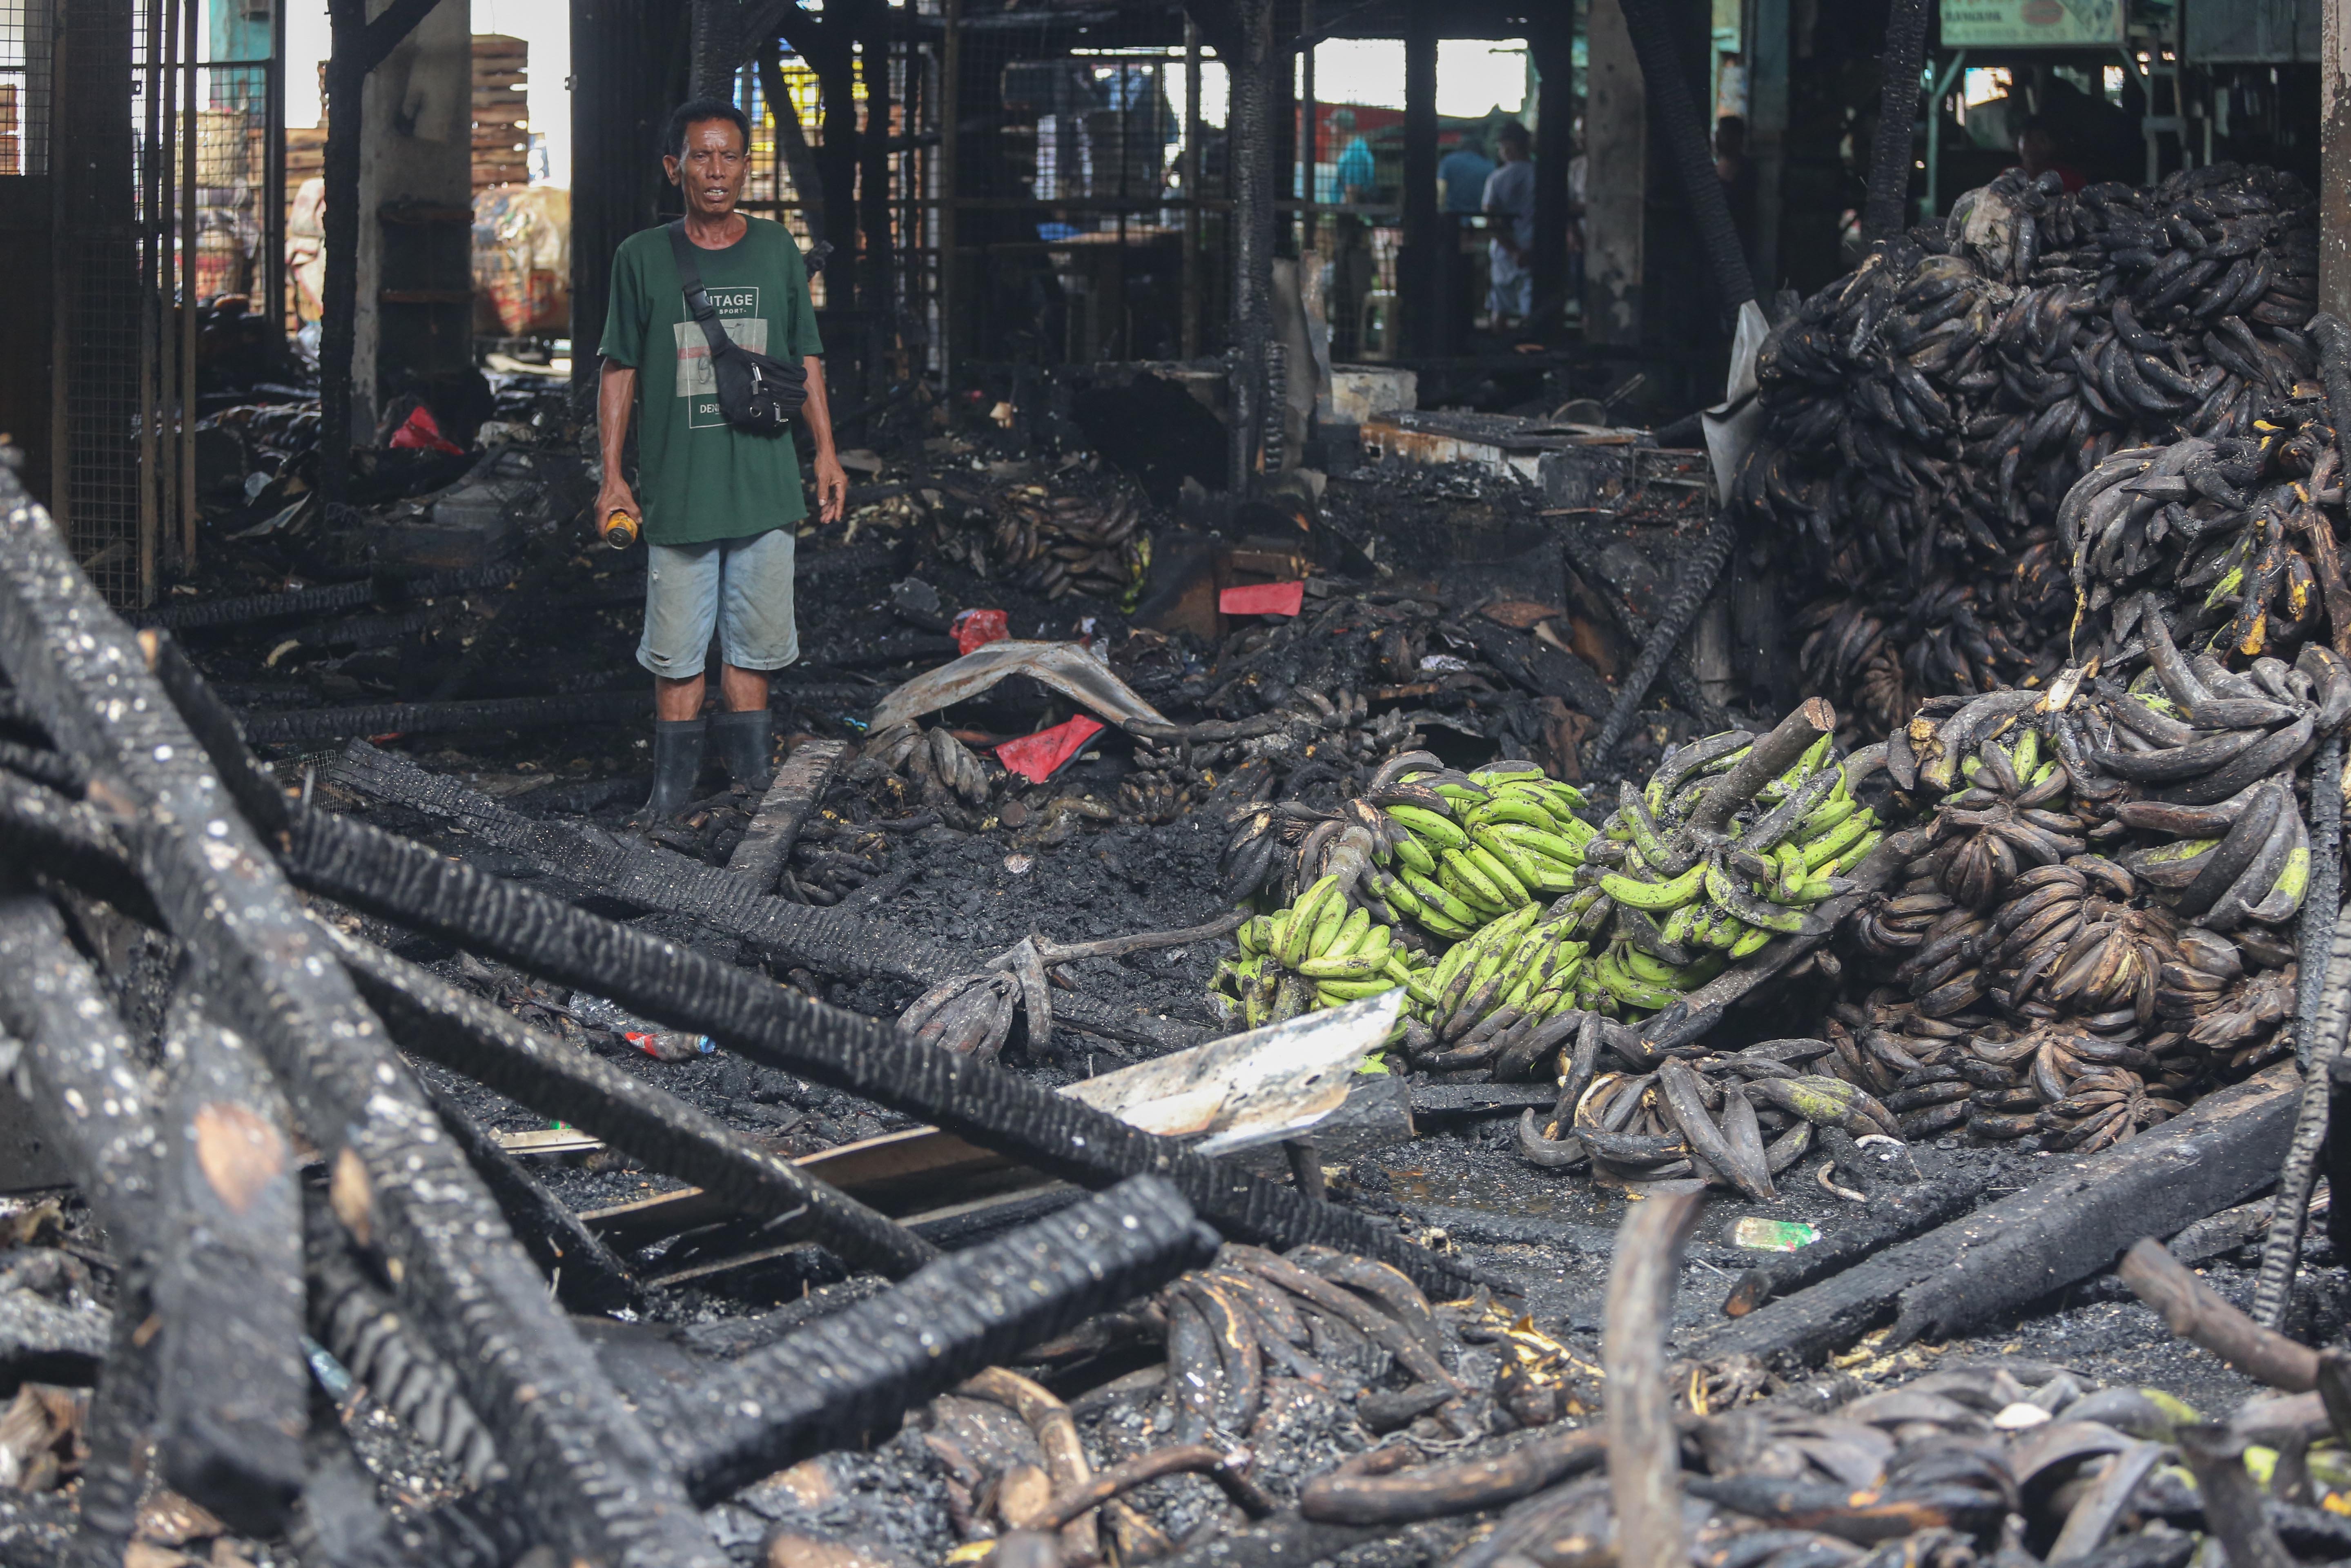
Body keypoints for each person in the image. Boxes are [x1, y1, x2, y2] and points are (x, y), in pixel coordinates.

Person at [597, 98, 848, 824]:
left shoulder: (774, 250)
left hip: (765, 489)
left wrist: (826, 451)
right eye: (701, 156)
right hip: (679, 492)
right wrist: (612, 475)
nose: (716, 171)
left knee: (753, 651)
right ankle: (668, 799)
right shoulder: (640, 258)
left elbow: (805, 353)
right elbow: (619, 369)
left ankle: (749, 794)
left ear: (746, 164)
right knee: (675, 654)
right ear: (675, 167)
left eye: (729, 156)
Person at [1482, 120, 1536, 325]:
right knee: (1531, 310)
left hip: (1505, 252)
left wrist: (1512, 250)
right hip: (1534, 251)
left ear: (1509, 147)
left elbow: (1491, 220)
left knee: (1499, 308)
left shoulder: (1497, 179)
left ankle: (1498, 352)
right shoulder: (1542, 175)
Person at [2014, 116, 2085, 193]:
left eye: (2041, 140)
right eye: (2028, 139)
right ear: (2017, 145)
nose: (2033, 146)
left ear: (2052, 145)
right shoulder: (2010, 176)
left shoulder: (2071, 179)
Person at [1438, 134, 1495, 215]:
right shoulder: (1489, 165)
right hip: (1479, 218)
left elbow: (1441, 191)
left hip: (1452, 217)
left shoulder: (1448, 161)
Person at [1332, 109, 1377, 203]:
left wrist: (1343, 215)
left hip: (1350, 212)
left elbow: (1352, 191)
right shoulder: (1353, 148)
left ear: (1341, 128)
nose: (1332, 131)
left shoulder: (1355, 151)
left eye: (1333, 126)